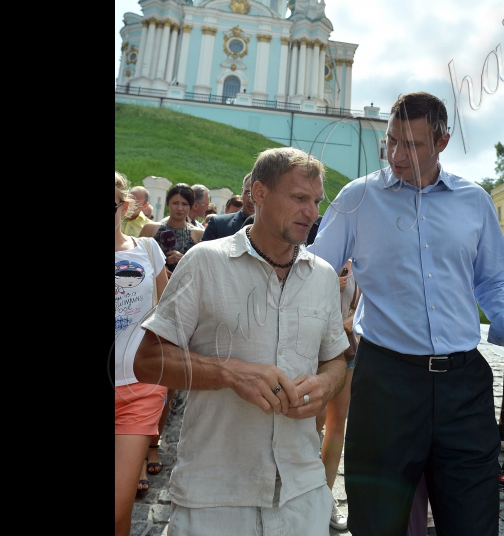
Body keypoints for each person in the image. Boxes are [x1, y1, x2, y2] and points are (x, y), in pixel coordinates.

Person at [309, 91, 504, 536]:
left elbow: (493, 281)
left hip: (463, 387)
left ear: (442, 142)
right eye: (391, 142)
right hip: (386, 385)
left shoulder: (473, 201)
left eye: (411, 145)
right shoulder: (358, 198)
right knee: (378, 524)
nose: (396, 155)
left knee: (472, 521)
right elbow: (314, 272)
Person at [133, 147, 350, 536]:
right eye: (299, 198)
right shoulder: (204, 262)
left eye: (316, 201)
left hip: (302, 495)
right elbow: (148, 361)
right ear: (260, 193)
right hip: (215, 494)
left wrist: (325, 384)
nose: (312, 212)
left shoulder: (322, 276)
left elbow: (336, 359)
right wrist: (229, 373)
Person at [115, 171, 168, 536]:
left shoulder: (148, 249)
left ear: (123, 207)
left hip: (139, 386)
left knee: (118, 505)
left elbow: (170, 312)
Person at [316, 258, 360, 531]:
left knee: (336, 424)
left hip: (345, 351)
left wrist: (352, 319)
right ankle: (301, 493)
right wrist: (329, 283)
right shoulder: (315, 255)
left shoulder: (360, 264)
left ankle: (324, 497)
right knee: (311, 426)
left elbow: (368, 304)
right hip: (310, 352)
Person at [139, 183, 203, 277]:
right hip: (155, 286)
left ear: (191, 207)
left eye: (184, 204)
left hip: (185, 287)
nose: (179, 208)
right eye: (175, 203)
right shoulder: (150, 229)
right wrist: (157, 267)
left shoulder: (199, 234)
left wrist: (185, 259)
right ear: (168, 203)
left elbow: (205, 267)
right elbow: (138, 258)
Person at [201, 173, 256, 241]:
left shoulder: (271, 229)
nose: (251, 200)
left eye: (257, 194)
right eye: (248, 193)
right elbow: (202, 251)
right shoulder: (218, 224)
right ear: (242, 192)